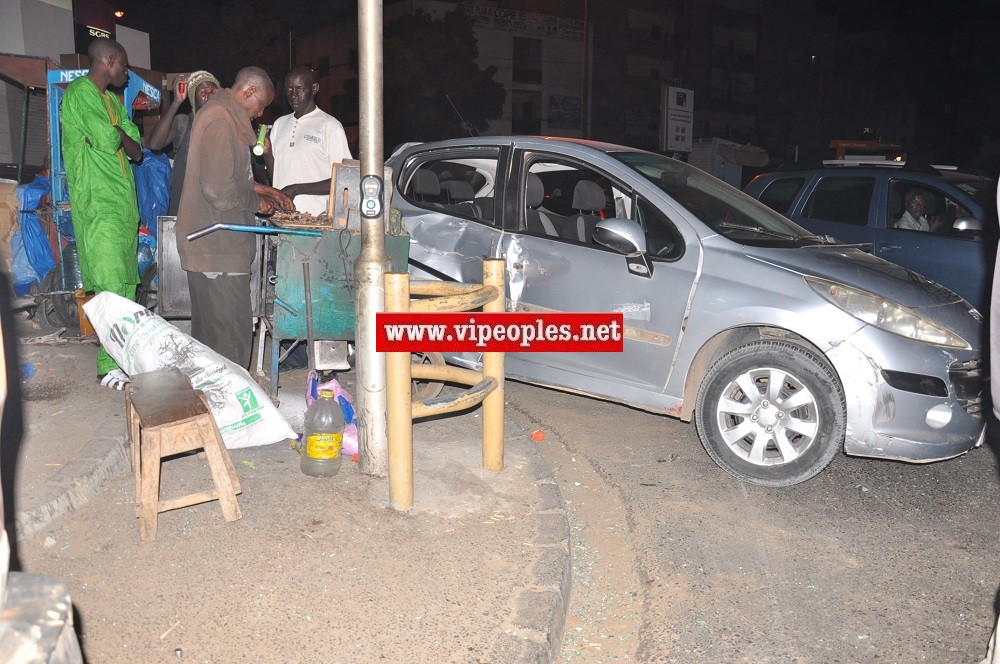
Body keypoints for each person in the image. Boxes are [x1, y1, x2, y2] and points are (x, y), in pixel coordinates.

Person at [176, 66, 293, 369]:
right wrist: (258, 203)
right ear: (249, 92)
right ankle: (233, 409)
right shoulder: (220, 120)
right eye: (262, 105)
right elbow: (218, 190)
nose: (260, 113)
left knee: (212, 343)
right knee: (233, 341)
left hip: (212, 246)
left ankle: (211, 406)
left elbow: (225, 175)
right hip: (218, 248)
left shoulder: (222, 116)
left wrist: (265, 189)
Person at [60, 38, 143, 390]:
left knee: (126, 286)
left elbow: (137, 149)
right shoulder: (80, 94)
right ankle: (107, 366)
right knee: (110, 287)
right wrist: (119, 134)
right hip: (99, 207)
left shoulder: (112, 101)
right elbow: (108, 139)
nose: (127, 71)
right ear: (108, 61)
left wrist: (119, 132)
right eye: (123, 64)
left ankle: (123, 359)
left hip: (123, 208)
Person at [266, 66, 352, 215]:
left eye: (299, 89)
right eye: (289, 89)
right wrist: (266, 154)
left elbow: (344, 178)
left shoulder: (330, 126)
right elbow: (276, 177)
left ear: (314, 88)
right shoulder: (280, 124)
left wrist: (297, 189)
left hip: (315, 218)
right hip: (281, 217)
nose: (293, 95)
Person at [146, 70, 221, 215]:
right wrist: (176, 102)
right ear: (193, 98)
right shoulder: (183, 122)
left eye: (214, 91)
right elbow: (155, 144)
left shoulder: (226, 125)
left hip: (215, 212)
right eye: (203, 92)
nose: (209, 96)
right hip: (184, 211)